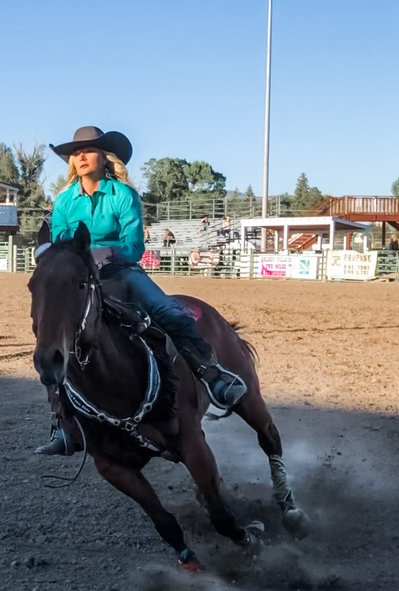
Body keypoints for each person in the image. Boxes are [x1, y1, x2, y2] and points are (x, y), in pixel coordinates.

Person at [33, 126, 247, 456]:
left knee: (169, 311)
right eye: (77, 153)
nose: (82, 156)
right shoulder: (63, 201)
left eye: (89, 150)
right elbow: (60, 243)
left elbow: (134, 246)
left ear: (105, 157)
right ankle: (62, 424)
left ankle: (213, 374)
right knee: (55, 331)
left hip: (122, 272)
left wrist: (109, 253)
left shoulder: (123, 195)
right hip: (80, 277)